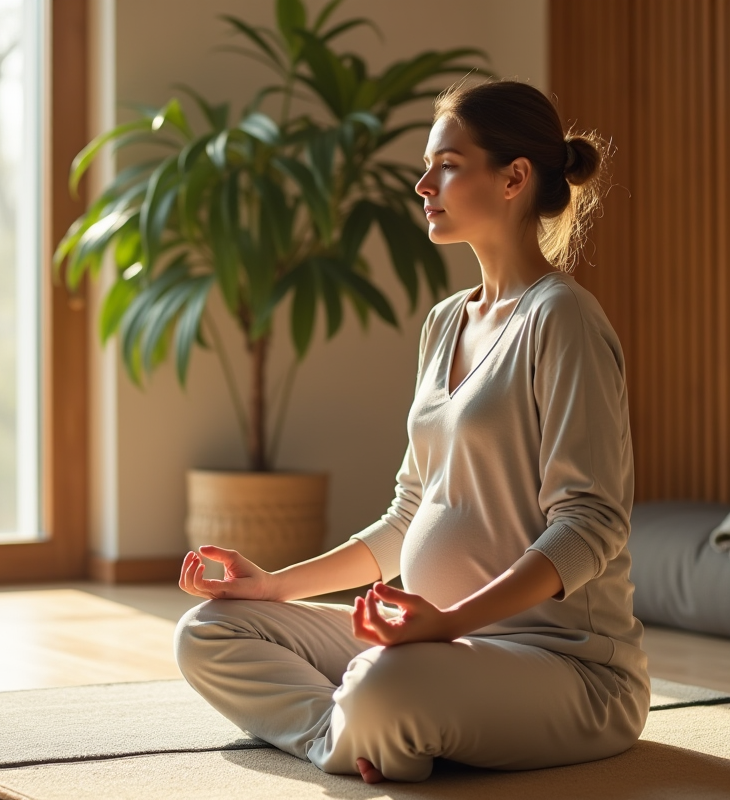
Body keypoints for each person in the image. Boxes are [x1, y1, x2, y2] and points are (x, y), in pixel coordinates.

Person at [173, 78, 647, 785]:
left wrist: (448, 622)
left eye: (447, 164)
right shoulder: (444, 322)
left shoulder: (563, 319)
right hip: (430, 645)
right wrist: (275, 587)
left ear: (514, 177)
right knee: (209, 631)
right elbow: (408, 514)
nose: (423, 183)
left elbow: (589, 526)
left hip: (563, 669)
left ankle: (371, 720)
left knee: (382, 684)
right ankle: (355, 736)